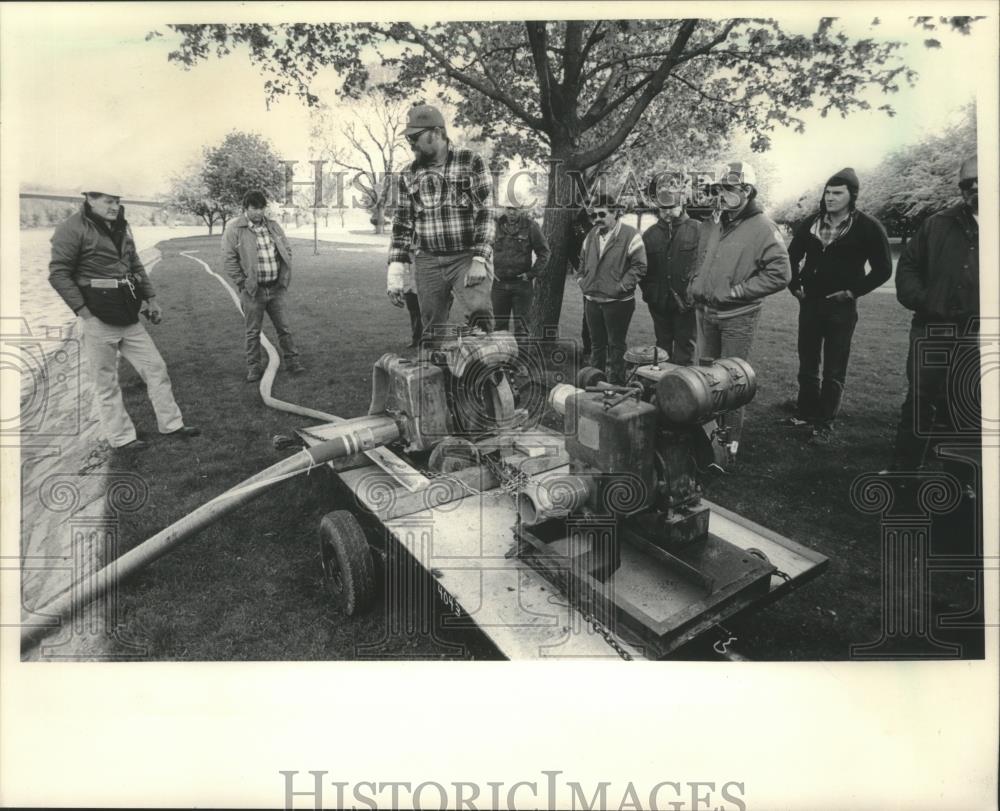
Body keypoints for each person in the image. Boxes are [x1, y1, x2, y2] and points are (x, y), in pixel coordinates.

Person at [48, 185, 199, 451]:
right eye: (108, 201)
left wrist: (151, 299)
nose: (114, 206)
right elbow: (59, 274)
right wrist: (84, 313)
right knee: (106, 383)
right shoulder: (70, 229)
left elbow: (135, 264)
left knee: (156, 368)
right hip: (97, 316)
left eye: (117, 200)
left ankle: (172, 425)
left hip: (128, 314)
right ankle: (122, 439)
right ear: (90, 199)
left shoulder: (120, 225)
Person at [687, 161, 790, 461]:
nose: (722, 194)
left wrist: (738, 292)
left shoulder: (763, 227)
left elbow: (781, 274)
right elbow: (707, 260)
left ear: (747, 190)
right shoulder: (721, 222)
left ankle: (729, 450)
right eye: (719, 189)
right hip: (707, 314)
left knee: (733, 384)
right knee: (707, 382)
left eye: (728, 188)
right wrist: (697, 283)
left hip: (737, 319)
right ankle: (707, 444)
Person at [889, 155, 980, 477]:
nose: (975, 187)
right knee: (919, 401)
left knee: (967, 407)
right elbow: (909, 267)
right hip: (933, 330)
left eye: (982, 179)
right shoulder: (937, 224)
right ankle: (905, 469)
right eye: (967, 183)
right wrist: (924, 301)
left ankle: (962, 478)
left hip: (978, 335)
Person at [787, 168, 892, 444]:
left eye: (837, 193)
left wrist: (852, 292)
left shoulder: (868, 227)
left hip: (841, 309)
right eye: (827, 192)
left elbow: (883, 270)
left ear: (852, 195)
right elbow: (791, 257)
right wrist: (794, 283)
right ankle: (806, 412)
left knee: (835, 368)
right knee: (808, 363)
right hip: (809, 303)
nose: (830, 197)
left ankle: (824, 424)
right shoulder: (811, 223)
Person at [386, 105, 495, 343]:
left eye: (415, 137)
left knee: (480, 317)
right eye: (409, 139)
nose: (411, 144)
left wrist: (479, 259)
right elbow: (402, 224)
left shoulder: (470, 161)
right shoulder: (408, 174)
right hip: (428, 260)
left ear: (436, 132)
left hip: (466, 256)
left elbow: (485, 212)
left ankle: (489, 376)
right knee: (432, 329)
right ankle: (438, 376)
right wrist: (395, 271)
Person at [222, 189, 304, 382]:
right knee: (253, 332)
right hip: (253, 292)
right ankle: (254, 367)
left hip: (275, 289)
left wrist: (282, 277)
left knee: (284, 328)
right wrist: (243, 283)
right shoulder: (234, 229)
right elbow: (229, 260)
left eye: (261, 208)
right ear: (246, 208)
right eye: (254, 208)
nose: (259, 212)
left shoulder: (273, 226)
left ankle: (293, 362)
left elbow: (287, 250)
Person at [575, 194, 647, 385]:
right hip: (591, 300)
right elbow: (582, 261)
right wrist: (582, 280)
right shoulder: (591, 235)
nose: (596, 219)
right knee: (596, 344)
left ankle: (616, 384)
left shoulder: (631, 235)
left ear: (615, 213)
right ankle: (595, 382)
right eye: (593, 215)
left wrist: (621, 286)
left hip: (617, 303)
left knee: (616, 345)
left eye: (601, 214)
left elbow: (640, 266)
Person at [640, 190, 701, 365]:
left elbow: (704, 264)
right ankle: (663, 386)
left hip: (687, 303)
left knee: (686, 348)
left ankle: (683, 387)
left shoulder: (697, 229)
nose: (667, 212)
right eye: (663, 208)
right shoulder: (650, 234)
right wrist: (650, 293)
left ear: (681, 206)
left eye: (671, 207)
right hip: (658, 302)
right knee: (661, 349)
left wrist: (694, 293)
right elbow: (642, 268)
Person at [491, 183, 550, 338]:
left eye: (515, 208)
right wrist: (488, 270)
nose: (511, 212)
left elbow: (544, 252)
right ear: (504, 208)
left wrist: (531, 274)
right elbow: (482, 249)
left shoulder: (531, 226)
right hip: (499, 284)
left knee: (522, 328)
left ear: (521, 209)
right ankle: (501, 360)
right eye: (508, 208)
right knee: (499, 327)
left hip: (521, 285)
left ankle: (522, 361)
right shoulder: (494, 226)